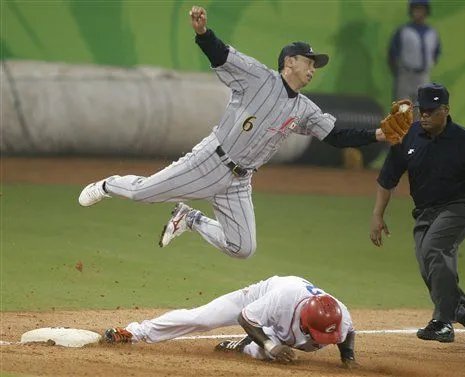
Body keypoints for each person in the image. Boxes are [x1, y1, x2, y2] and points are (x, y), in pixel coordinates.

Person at [79, 6, 409, 259]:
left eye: (315, 64)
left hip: (239, 181)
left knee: (242, 248)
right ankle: (108, 184)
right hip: (210, 161)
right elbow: (222, 55)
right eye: (309, 62)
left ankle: (189, 219)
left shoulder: (304, 108)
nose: (313, 68)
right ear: (289, 61)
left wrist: (378, 134)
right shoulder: (257, 78)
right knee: (142, 194)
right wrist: (203, 32)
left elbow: (336, 133)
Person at [369, 83, 465, 352]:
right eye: (423, 110)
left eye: (432, 110)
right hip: (425, 213)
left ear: (446, 110)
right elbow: (387, 179)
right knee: (432, 270)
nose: (426, 115)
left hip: (461, 208)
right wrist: (377, 215)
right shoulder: (407, 137)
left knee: (434, 249)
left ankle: (443, 322)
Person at [103, 275, 357, 367]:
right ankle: (134, 332)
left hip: (278, 321)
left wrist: (348, 359)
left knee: (264, 356)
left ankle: (241, 347)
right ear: (305, 319)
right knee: (203, 319)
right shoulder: (282, 298)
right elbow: (245, 317)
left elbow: (348, 335)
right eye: (317, 333)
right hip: (257, 301)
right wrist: (272, 344)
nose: (320, 339)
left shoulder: (339, 315)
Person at [388, 0, 441, 102]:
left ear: (426, 11)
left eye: (422, 9)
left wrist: (429, 66)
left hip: (423, 76)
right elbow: (392, 54)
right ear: (411, 11)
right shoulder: (403, 31)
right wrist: (397, 73)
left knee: (421, 110)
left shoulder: (432, 33)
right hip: (406, 75)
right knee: (403, 110)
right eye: (416, 9)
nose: (419, 12)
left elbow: (436, 53)